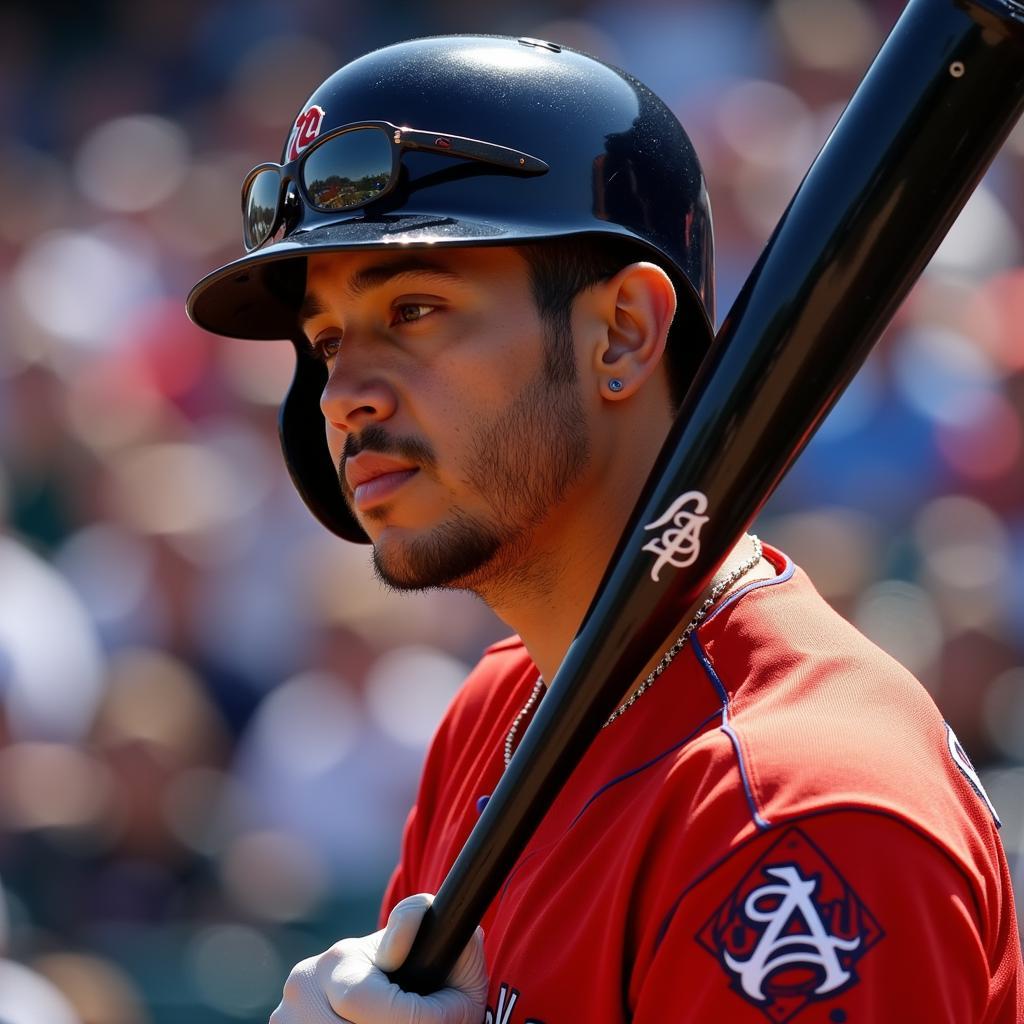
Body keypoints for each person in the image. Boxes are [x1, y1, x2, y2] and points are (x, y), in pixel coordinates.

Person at [186, 35, 1023, 1024]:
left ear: (622, 332)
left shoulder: (799, 814)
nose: (345, 398)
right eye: (326, 342)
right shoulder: (497, 707)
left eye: (412, 309)